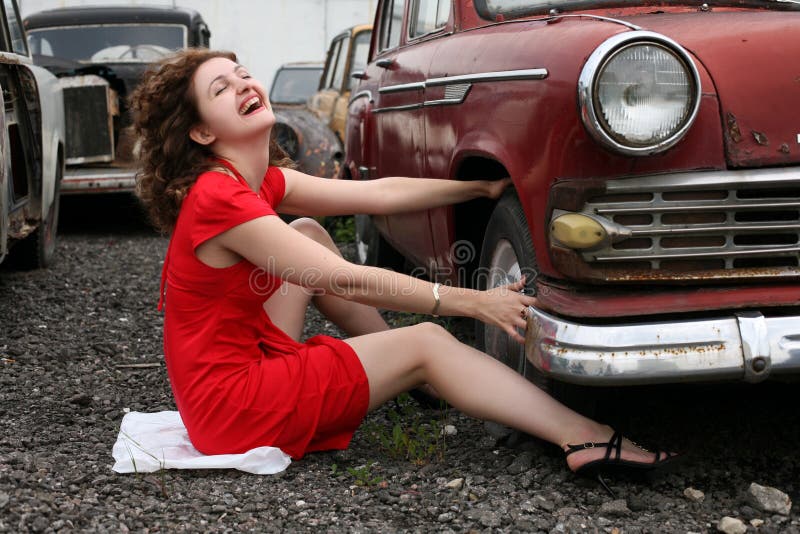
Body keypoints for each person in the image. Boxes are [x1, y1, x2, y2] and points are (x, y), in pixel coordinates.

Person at [130, 49, 678, 492]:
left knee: (307, 234)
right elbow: (344, 278)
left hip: (226, 380)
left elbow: (379, 194)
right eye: (220, 89)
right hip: (235, 408)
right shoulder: (218, 198)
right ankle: (582, 436)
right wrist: (472, 301)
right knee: (428, 341)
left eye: (241, 73)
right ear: (201, 133)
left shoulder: (253, 179)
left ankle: (409, 379)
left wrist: (479, 187)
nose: (243, 84)